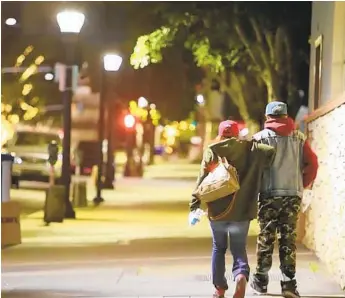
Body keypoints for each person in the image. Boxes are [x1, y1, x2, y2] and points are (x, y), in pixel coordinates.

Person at [189, 120, 276, 298]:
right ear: (237, 133)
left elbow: (201, 180)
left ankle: (219, 289)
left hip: (217, 210)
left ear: (220, 134)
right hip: (243, 210)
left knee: (218, 248)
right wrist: (253, 143)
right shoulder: (252, 149)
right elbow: (271, 152)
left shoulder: (213, 150)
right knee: (238, 247)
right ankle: (241, 275)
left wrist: (194, 205)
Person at [251, 101, 319, 298]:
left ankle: (261, 282)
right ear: (286, 116)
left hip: (268, 195)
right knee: (288, 239)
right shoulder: (299, 138)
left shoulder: (259, 139)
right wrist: (302, 183)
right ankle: (289, 284)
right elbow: (313, 163)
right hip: (292, 196)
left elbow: (252, 168)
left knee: (266, 237)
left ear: (267, 117)